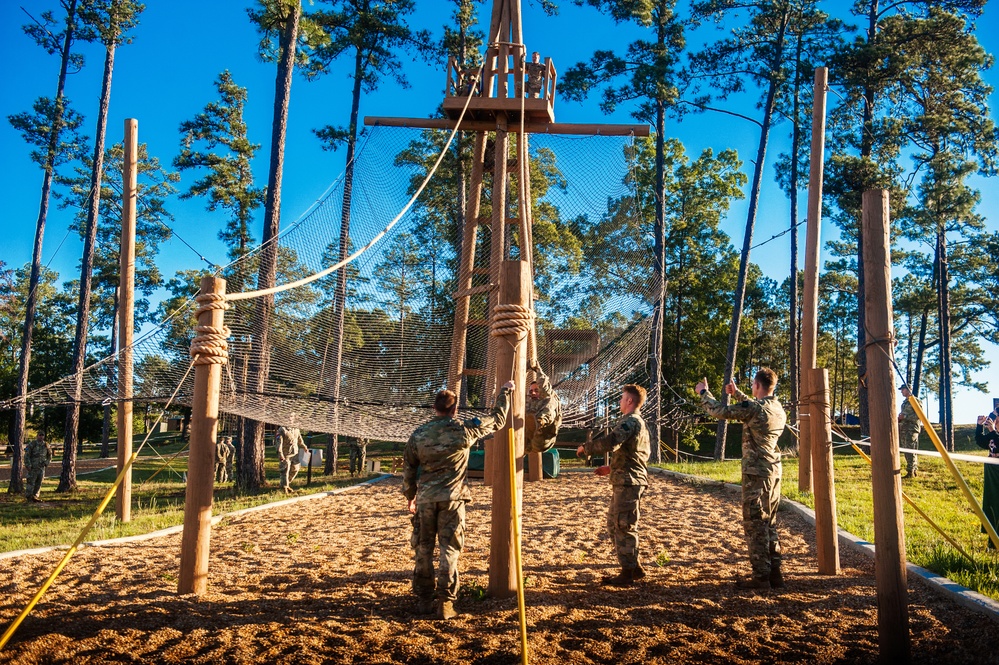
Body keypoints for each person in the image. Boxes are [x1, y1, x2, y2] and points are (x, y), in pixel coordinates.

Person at [402, 380, 514, 620]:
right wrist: (506, 391)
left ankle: (423, 600)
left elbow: (409, 469)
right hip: (453, 500)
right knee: (449, 550)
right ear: (454, 410)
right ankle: (445, 603)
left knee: (423, 550)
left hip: (425, 500)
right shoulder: (464, 430)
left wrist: (411, 497)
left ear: (435, 408)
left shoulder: (419, 434)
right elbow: (498, 420)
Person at [697, 368, 787, 590]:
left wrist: (703, 393)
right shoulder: (776, 407)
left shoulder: (755, 408)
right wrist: (737, 393)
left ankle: (760, 578)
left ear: (756, 386)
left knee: (755, 524)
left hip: (756, 475)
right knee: (770, 524)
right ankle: (775, 574)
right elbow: (754, 409)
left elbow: (720, 411)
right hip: (774, 473)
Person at [576, 384, 650, 587]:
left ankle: (627, 574)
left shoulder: (631, 422)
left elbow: (611, 442)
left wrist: (587, 447)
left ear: (629, 401)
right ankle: (634, 567)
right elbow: (634, 454)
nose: (619, 401)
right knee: (614, 524)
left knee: (623, 526)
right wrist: (611, 468)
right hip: (625, 478)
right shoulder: (636, 422)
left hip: (629, 482)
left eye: (622, 398)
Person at [975, 412, 999, 548]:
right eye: (995, 420)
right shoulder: (993, 434)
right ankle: (993, 540)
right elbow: (981, 441)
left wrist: (992, 431)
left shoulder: (994, 433)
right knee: (992, 502)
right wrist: (979, 426)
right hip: (991, 471)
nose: (995, 422)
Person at [526, 364, 562, 454]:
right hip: (527, 441)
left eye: (536, 390)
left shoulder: (549, 398)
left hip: (543, 439)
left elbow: (545, 387)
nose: (533, 393)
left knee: (552, 401)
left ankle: (539, 422)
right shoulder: (528, 401)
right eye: (531, 391)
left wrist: (538, 369)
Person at [275, 423, 308, 494]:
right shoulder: (282, 429)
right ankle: (284, 487)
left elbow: (299, 440)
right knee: (285, 471)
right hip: (285, 455)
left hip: (295, 453)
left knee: (296, 469)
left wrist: (304, 447)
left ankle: (286, 484)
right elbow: (278, 443)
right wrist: (280, 453)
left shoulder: (296, 429)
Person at [898, 386, 923, 479]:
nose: (901, 392)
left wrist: (904, 417)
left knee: (911, 449)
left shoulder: (915, 401)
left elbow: (918, 415)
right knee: (906, 450)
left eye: (902, 390)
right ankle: (911, 470)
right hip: (904, 429)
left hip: (912, 429)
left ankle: (911, 471)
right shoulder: (905, 403)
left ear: (908, 390)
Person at [24, 432, 53, 502]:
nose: (41, 437)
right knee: (31, 482)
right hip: (33, 467)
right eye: (40, 435)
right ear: (37, 436)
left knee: (39, 482)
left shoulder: (46, 445)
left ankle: (35, 496)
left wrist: (46, 463)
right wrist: (28, 465)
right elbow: (26, 455)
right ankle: (29, 497)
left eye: (42, 435)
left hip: (41, 467)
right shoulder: (32, 444)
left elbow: (50, 455)